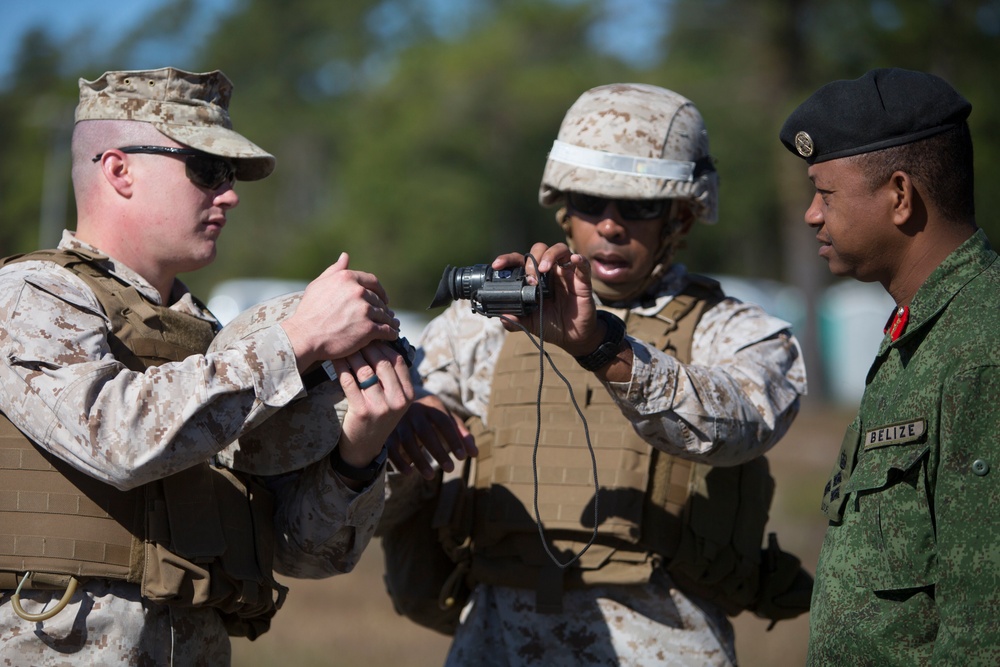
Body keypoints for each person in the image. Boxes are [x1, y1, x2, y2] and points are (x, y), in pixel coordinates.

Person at [381, 83, 810, 666]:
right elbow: (380, 479)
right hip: (497, 645)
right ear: (564, 210)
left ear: (680, 217)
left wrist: (603, 347)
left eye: (636, 208)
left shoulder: (734, 331)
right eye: (591, 203)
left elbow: (742, 424)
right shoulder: (479, 328)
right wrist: (402, 425)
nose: (610, 226)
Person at [0, 67, 417, 665]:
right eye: (206, 169)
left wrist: (358, 455)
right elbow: (119, 438)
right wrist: (297, 339)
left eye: (228, 175)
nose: (229, 193)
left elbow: (302, 554)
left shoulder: (212, 345)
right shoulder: (29, 295)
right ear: (119, 170)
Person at [780, 67, 1000, 665]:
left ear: (900, 197)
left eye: (826, 194)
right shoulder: (920, 332)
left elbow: (984, 620)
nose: (811, 215)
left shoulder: (981, 350)